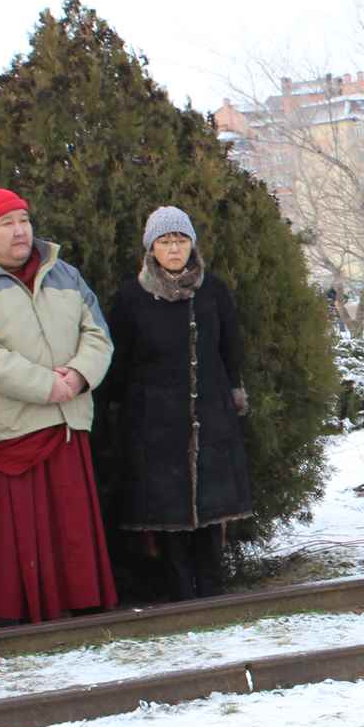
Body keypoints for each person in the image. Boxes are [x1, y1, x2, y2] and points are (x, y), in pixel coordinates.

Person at [0, 187, 117, 622]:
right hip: (12, 432)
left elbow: (98, 334)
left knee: (72, 534)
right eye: (6, 223)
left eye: (24, 220)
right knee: (23, 543)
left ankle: (85, 609)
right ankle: (32, 620)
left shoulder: (64, 272)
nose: (20, 231)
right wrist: (45, 386)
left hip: (68, 423)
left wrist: (78, 376)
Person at [104, 206, 253, 600]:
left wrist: (233, 393)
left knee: (212, 506)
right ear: (151, 248)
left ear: (192, 244)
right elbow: (119, 360)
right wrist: (122, 411)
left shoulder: (213, 290)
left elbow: (230, 347)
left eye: (181, 240)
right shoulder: (132, 297)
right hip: (155, 422)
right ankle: (179, 594)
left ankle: (212, 590)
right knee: (166, 511)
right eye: (166, 241)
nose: (174, 249)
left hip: (211, 415)